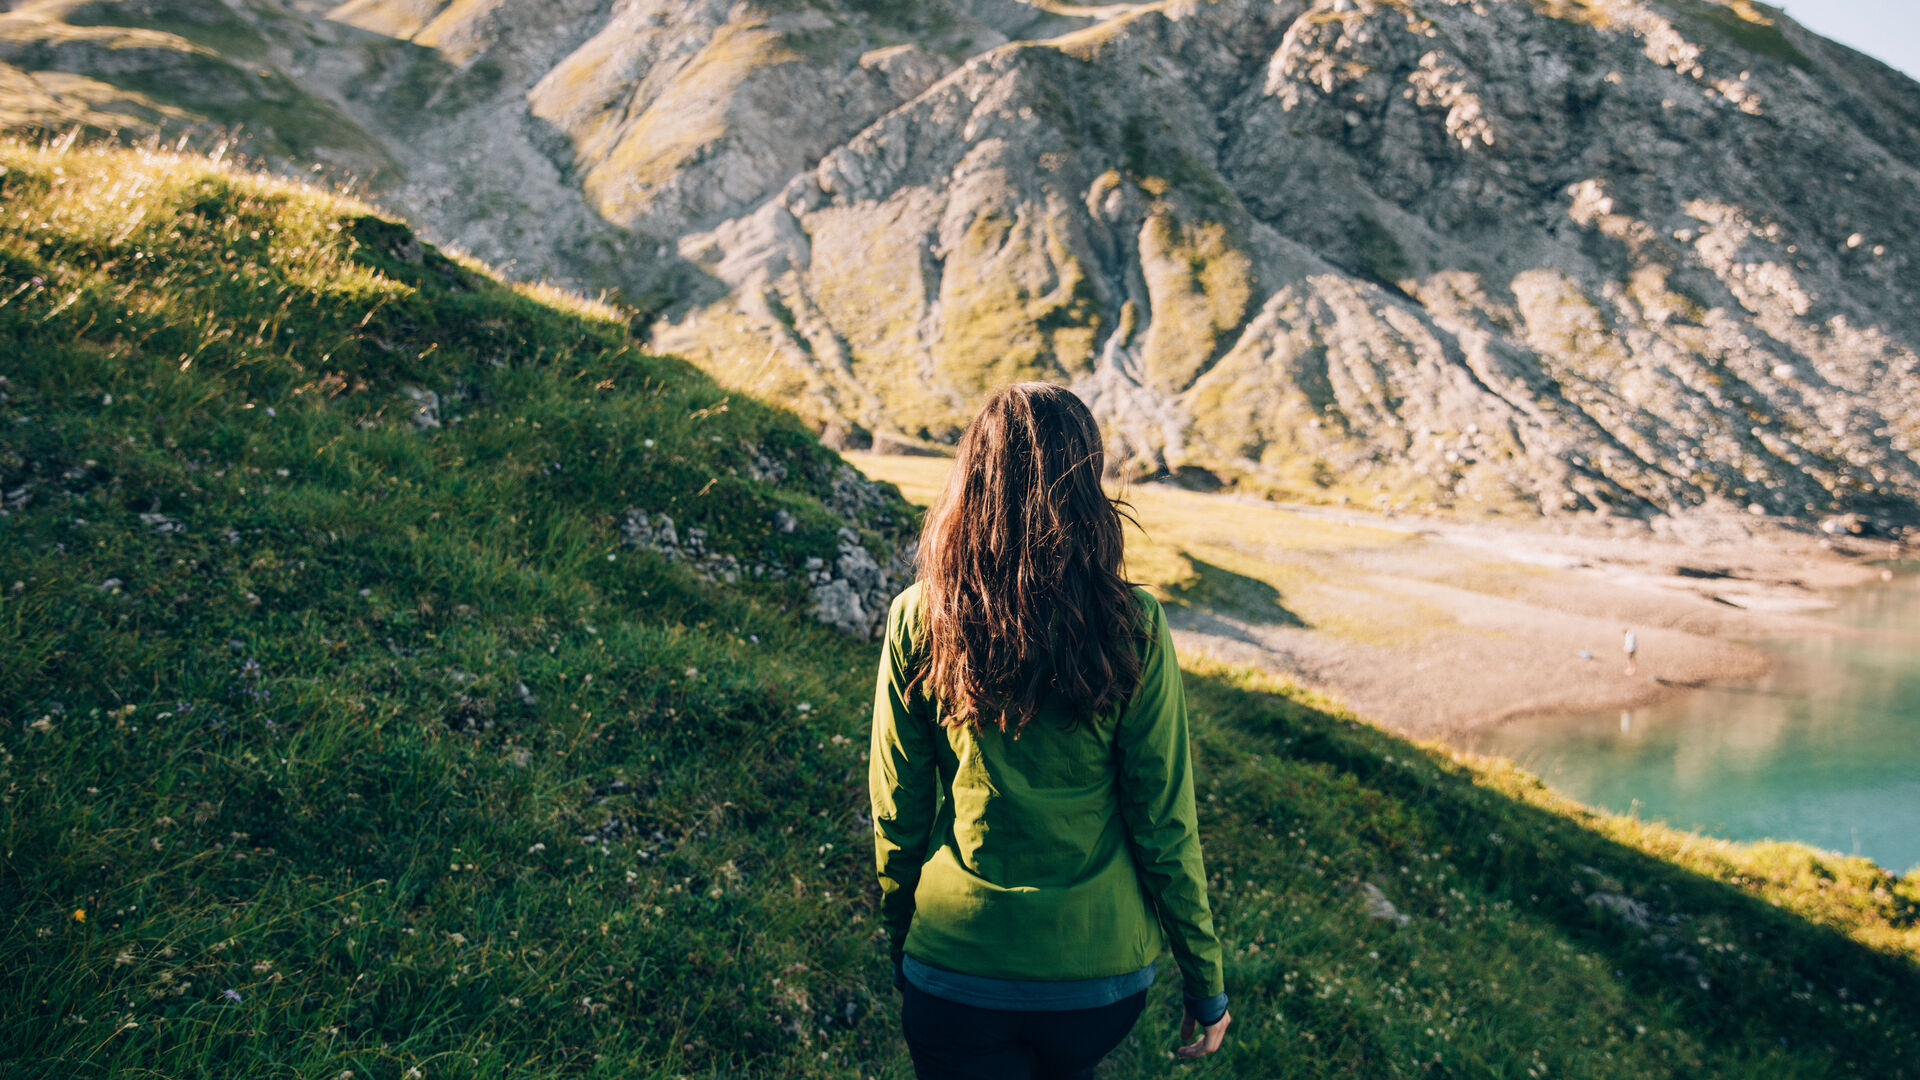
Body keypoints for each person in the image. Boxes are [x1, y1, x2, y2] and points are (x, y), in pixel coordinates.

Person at [868, 382, 1230, 1080]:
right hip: (1097, 981)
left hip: (954, 963)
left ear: (972, 478)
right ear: (1086, 483)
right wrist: (1204, 979)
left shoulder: (922, 615)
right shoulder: (1134, 624)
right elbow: (1164, 821)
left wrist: (902, 940)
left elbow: (897, 812)